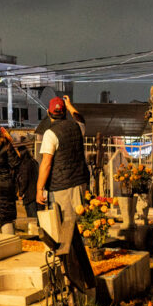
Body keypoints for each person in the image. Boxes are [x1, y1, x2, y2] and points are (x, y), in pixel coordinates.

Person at [36, 96, 88, 229]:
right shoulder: (77, 127)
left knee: (63, 226)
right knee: (80, 224)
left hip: (60, 187)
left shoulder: (50, 133)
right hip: (79, 183)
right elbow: (80, 119)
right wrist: (69, 105)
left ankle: (66, 250)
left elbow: (46, 163)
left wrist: (39, 188)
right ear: (64, 112)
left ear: (48, 113)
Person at [16, 143, 39, 220]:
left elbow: (24, 180)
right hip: (37, 193)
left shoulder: (24, 164)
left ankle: (35, 232)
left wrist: (20, 193)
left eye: (18, 153)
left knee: (32, 219)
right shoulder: (34, 161)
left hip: (29, 195)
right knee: (38, 217)